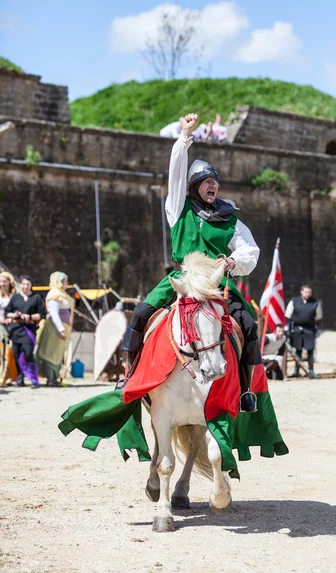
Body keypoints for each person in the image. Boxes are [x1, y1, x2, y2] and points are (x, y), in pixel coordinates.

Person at [122, 112, 261, 412]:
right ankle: (129, 377)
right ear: (196, 185)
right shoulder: (178, 209)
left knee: (248, 323)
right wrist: (184, 138)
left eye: (216, 183)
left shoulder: (229, 218)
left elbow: (249, 250)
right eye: (207, 182)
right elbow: (174, 173)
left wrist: (231, 263)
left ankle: (245, 391)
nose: (214, 186)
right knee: (140, 314)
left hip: (216, 281)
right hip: (183, 278)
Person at [35, 272, 75, 387]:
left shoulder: (62, 294)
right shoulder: (54, 294)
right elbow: (54, 313)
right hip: (54, 329)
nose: (67, 283)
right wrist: (61, 329)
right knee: (52, 353)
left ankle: (54, 377)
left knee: (58, 353)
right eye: (65, 281)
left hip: (61, 328)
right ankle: (50, 378)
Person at [7, 275, 45, 388]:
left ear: (31, 286)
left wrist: (29, 317)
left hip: (29, 330)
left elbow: (41, 314)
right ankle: (20, 378)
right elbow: (7, 312)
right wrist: (16, 315)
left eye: (28, 284)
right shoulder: (15, 298)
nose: (25, 286)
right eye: (23, 284)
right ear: (20, 285)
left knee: (28, 353)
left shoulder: (36, 298)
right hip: (16, 330)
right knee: (17, 354)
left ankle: (33, 378)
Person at [285, 284, 322, 379]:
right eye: (306, 292)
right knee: (298, 351)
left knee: (310, 351)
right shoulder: (294, 301)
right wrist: (288, 329)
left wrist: (317, 329)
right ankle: (297, 371)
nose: (308, 294)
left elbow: (318, 317)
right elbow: (288, 316)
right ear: (301, 291)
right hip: (297, 329)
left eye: (309, 292)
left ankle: (311, 371)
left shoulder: (315, 302)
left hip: (309, 329)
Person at [0, 271, 18, 384]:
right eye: (0, 281)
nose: (2, 283)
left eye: (4, 281)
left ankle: (8, 375)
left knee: (10, 352)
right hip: (0, 325)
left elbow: (18, 308)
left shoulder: (14, 296)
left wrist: (11, 319)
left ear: (9, 282)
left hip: (12, 325)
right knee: (1, 352)